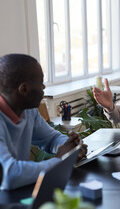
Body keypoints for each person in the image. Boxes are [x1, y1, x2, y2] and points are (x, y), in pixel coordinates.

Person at [0, 54, 87, 190]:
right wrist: (58, 161)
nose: (44, 87)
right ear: (24, 89)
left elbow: (51, 138)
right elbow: (9, 174)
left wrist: (71, 147)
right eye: (41, 82)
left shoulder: (28, 111)